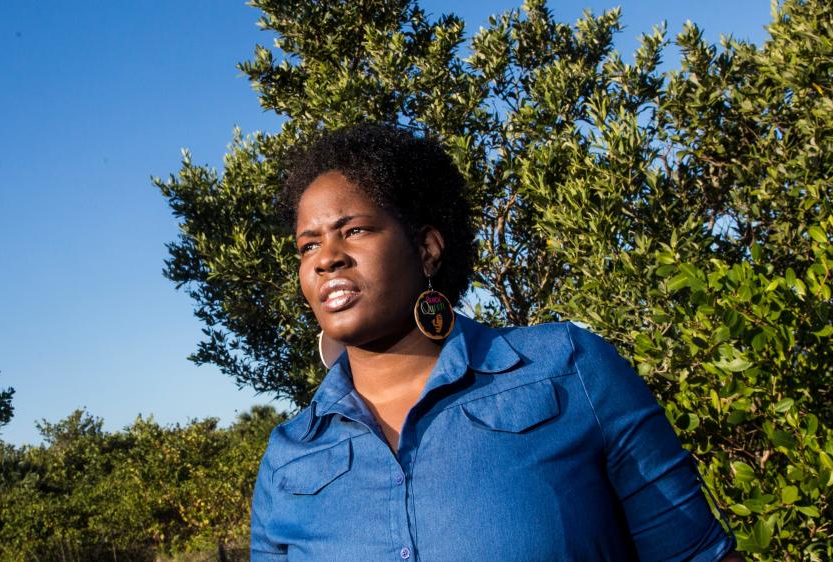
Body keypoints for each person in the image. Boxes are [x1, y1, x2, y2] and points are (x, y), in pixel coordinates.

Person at [250, 123, 740, 561]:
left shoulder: (569, 370)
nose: (325, 258)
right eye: (308, 245)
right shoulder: (289, 456)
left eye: (353, 230)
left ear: (426, 249)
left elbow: (696, 552)